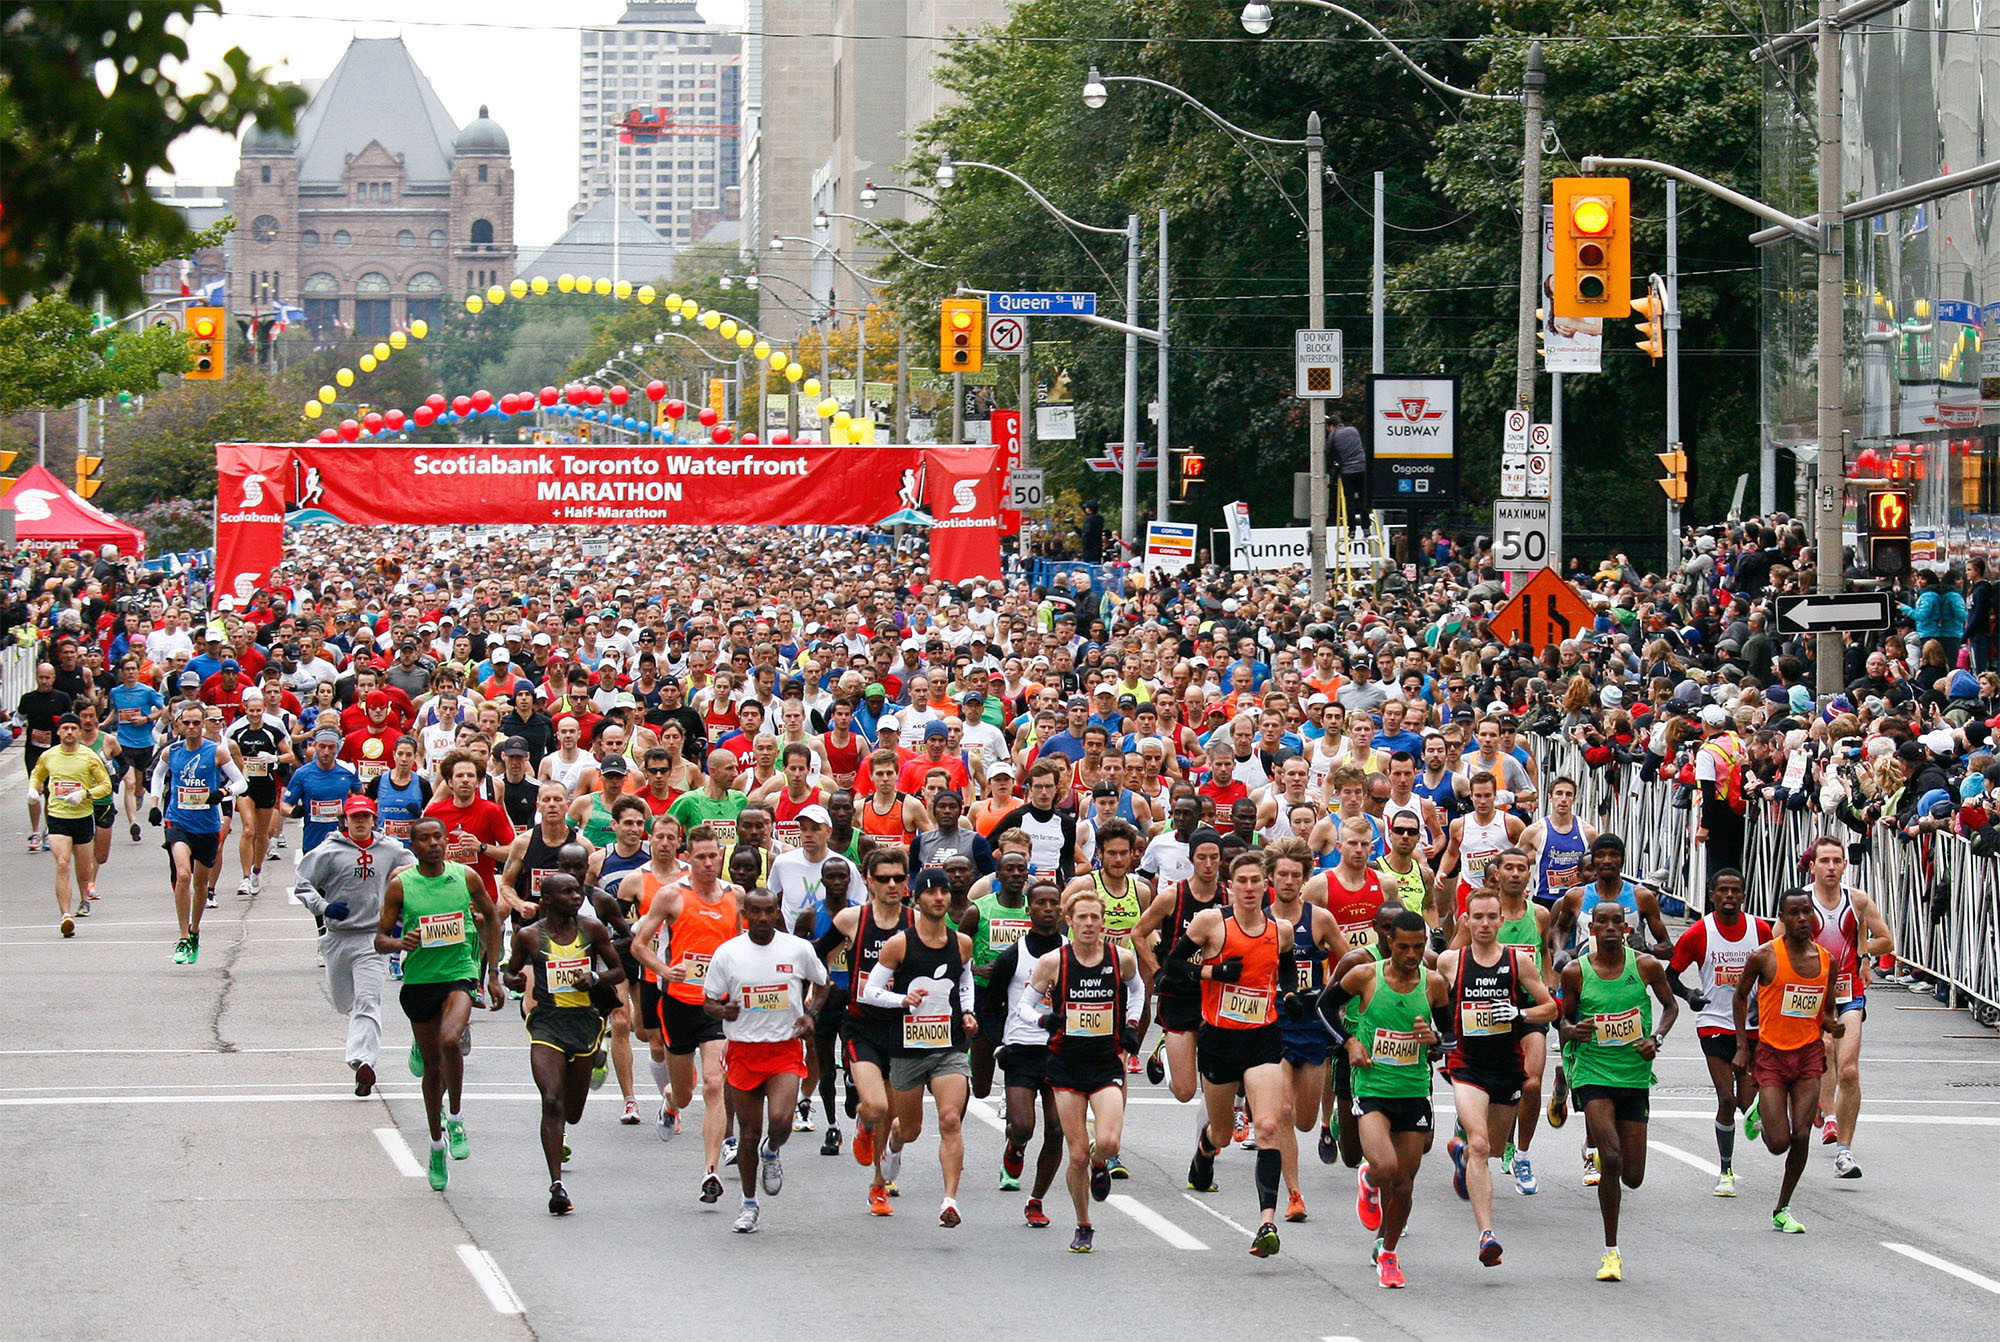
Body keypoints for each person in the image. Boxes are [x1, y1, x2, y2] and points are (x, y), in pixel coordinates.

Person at [1175, 850, 1296, 1259]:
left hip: (1263, 1038)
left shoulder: (1281, 930)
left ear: (1266, 886)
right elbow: (1173, 968)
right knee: (1223, 1132)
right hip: (1219, 1040)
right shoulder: (1212, 923)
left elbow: (1287, 971)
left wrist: (1293, 995)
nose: (1248, 888)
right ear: (1231, 885)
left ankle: (1266, 1222)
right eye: (1241, 881)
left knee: (1266, 1126)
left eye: (1255, 881)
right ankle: (1205, 1150)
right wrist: (1212, 972)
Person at [377, 816, 507, 1191]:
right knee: (433, 1069)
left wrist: (492, 972)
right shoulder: (401, 887)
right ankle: (436, 1143)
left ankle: (456, 1118)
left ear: (447, 841)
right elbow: (380, 938)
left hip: (459, 974)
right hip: (420, 980)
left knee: (452, 1041)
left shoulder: (466, 878)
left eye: (439, 837)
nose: (434, 843)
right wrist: (401, 943)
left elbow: (493, 920)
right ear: (414, 847)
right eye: (425, 839)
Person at [1557, 900, 1680, 1281]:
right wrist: (1572, 1030)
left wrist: (1655, 1038)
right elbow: (1563, 1021)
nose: (1610, 928)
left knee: (1633, 1175)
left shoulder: (1643, 965)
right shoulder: (1576, 972)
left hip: (1633, 1075)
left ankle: (1603, 1153)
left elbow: (1670, 1007)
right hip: (1593, 1072)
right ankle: (1611, 1251)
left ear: (1626, 929)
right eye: (1602, 922)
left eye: (1617, 922)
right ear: (1591, 929)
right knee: (1610, 1157)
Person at [1438, 888, 1559, 1267]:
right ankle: (1487, 1234)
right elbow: (1432, 1001)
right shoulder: (1449, 962)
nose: (1486, 924)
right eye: (1478, 917)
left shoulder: (1518, 961)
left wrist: (1519, 1015)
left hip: (1507, 1065)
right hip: (1467, 1065)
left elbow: (1550, 1007)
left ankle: (1460, 1154)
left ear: (1502, 921)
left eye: (1492, 917)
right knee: (1479, 1144)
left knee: (1490, 1148)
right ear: (1467, 920)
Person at [1315, 909, 1437, 1287]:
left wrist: (1434, 1041)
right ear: (1389, 942)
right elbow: (1323, 1007)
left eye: (1419, 947)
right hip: (1372, 1088)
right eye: (1404, 946)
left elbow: (1448, 1034)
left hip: (1414, 1089)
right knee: (1383, 1168)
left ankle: (1388, 1252)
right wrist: (1349, 1042)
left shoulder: (1434, 983)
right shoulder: (1364, 974)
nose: (1412, 954)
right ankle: (1368, 1180)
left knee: (1404, 1183)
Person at [1018, 884, 1142, 1253]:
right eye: (1082, 918)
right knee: (1076, 1154)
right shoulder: (1054, 962)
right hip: (1066, 1065)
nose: (1089, 924)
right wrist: (1044, 1021)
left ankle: (1101, 1164)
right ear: (1069, 921)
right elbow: (1024, 1005)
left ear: (1103, 922)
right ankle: (1083, 1224)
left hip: (1106, 1062)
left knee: (1107, 1142)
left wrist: (1133, 1024)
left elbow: (1138, 990)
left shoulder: (1121, 959)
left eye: (1095, 918)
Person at [701, 887, 830, 1234]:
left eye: (768, 911)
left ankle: (772, 1152)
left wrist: (811, 1014)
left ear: (777, 912)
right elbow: (708, 1001)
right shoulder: (728, 953)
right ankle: (748, 1204)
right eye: (754, 912)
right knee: (747, 1134)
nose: (761, 918)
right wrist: (721, 1009)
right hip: (744, 1048)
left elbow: (822, 983)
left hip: (784, 1047)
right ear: (744, 914)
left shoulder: (797, 948)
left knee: (780, 1121)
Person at [860, 865, 980, 1228]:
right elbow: (869, 993)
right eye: (931, 892)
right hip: (908, 1049)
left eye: (943, 892)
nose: (939, 898)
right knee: (908, 1128)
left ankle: (950, 1200)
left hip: (949, 1046)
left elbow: (964, 982)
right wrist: (902, 1001)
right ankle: (893, 1146)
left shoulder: (961, 942)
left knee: (949, 1119)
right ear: (919, 897)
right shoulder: (900, 944)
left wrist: (969, 1011)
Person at [629, 823, 743, 1203]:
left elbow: (743, 946)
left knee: (714, 1084)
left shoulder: (734, 896)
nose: (708, 864)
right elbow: (638, 945)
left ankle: (710, 1171)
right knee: (684, 1092)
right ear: (687, 858)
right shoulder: (671, 896)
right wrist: (663, 971)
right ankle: (669, 1099)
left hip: (716, 1007)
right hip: (677, 1002)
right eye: (700, 858)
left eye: (714, 856)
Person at [502, 870, 624, 1216]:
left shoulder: (592, 929)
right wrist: (513, 979)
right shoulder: (528, 936)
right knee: (552, 1102)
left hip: (585, 1023)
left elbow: (617, 971)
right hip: (547, 1025)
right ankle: (557, 1185)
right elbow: (511, 972)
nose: (576, 897)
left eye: (577, 891)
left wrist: (596, 977)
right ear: (549, 899)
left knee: (573, 1112)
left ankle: (597, 1057)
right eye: (568, 892)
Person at [1735, 887, 1844, 1234]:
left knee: (1800, 1136)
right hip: (1771, 1055)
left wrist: (1831, 1023)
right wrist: (1742, 1047)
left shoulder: (1827, 960)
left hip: (1808, 1055)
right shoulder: (1765, 956)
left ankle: (1782, 1207)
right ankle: (1762, 1114)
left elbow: (1825, 1009)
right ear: (1781, 919)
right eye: (1794, 913)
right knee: (1777, 1142)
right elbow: (1740, 998)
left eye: (1807, 913)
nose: (1802, 919)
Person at [294, 795, 413, 1095]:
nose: (361, 822)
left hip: (373, 938)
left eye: (366, 817)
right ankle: (360, 1050)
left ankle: (364, 1063)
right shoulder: (329, 851)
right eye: (355, 817)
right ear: (345, 821)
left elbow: (417, 870)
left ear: (374, 819)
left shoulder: (390, 849)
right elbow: (302, 883)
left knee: (368, 1000)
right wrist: (322, 907)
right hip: (337, 937)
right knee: (344, 1002)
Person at [1667, 867, 1771, 1195]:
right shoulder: (1700, 932)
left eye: (1734, 890)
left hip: (1753, 1025)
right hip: (1713, 1022)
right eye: (1722, 891)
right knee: (1726, 1099)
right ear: (1711, 896)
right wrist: (1689, 996)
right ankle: (1725, 1170)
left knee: (1748, 1102)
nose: (1728, 896)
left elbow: (1777, 969)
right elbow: (1671, 975)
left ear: (1743, 895)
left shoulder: (1761, 930)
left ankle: (1764, 1112)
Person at [976, 877, 1068, 1226]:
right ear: (1029, 910)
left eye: (1053, 903)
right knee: (1023, 1126)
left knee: (1057, 1128)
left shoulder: (1070, 952)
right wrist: (999, 1041)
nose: (1047, 909)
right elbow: (991, 1002)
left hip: (1060, 1050)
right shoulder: (1015, 954)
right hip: (1021, 1048)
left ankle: (1036, 1200)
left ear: (1061, 910)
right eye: (1040, 903)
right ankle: (1014, 1148)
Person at [1802, 834, 1893, 1178]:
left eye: (1836, 861)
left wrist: (1861, 951)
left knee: (1850, 1068)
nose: (1830, 867)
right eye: (1823, 861)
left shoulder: (1857, 901)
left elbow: (1886, 940)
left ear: (1844, 865)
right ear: (1812, 866)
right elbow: (1775, 941)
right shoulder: (1801, 902)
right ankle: (1826, 1115)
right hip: (1811, 993)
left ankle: (1845, 1152)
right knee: (1824, 1049)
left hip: (1848, 992)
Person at [1266, 837, 1343, 1221]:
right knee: (1282, 1112)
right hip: (1275, 1020)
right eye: (1282, 874)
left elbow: (1351, 963)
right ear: (1271, 877)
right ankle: (1294, 1195)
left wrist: (1336, 999)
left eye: (1296, 875)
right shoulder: (1259, 919)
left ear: (1304, 878)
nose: (1289, 881)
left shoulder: (1320, 919)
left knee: (1306, 1120)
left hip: (1312, 1023)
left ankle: (1336, 1122)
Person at [147, 701, 248, 963]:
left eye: (196, 723)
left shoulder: (216, 752)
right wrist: (155, 804)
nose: (191, 728)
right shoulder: (172, 752)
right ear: (178, 724)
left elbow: (240, 781)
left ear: (203, 725)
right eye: (186, 723)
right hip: (178, 820)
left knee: (200, 884)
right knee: (183, 875)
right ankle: (182, 937)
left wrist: (223, 792)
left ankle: (194, 931)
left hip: (207, 824)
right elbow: (157, 776)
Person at [1132, 826, 1225, 1101]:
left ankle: (1208, 1141)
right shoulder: (1174, 895)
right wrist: (1156, 970)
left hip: (1216, 994)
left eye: (1214, 857)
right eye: (1201, 857)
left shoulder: (1229, 897)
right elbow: (1138, 933)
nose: (1208, 865)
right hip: (1180, 995)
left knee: (1217, 1082)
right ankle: (1163, 1050)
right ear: (1191, 858)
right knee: (1185, 1092)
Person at [30, 713, 113, 937]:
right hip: (58, 818)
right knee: (62, 863)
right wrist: (33, 790)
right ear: (58, 732)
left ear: (78, 732)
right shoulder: (49, 756)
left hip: (83, 817)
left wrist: (84, 794)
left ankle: (84, 898)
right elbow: (37, 775)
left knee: (84, 869)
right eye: (65, 728)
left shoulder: (89, 757)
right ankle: (65, 915)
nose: (68, 732)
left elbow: (106, 786)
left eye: (72, 729)